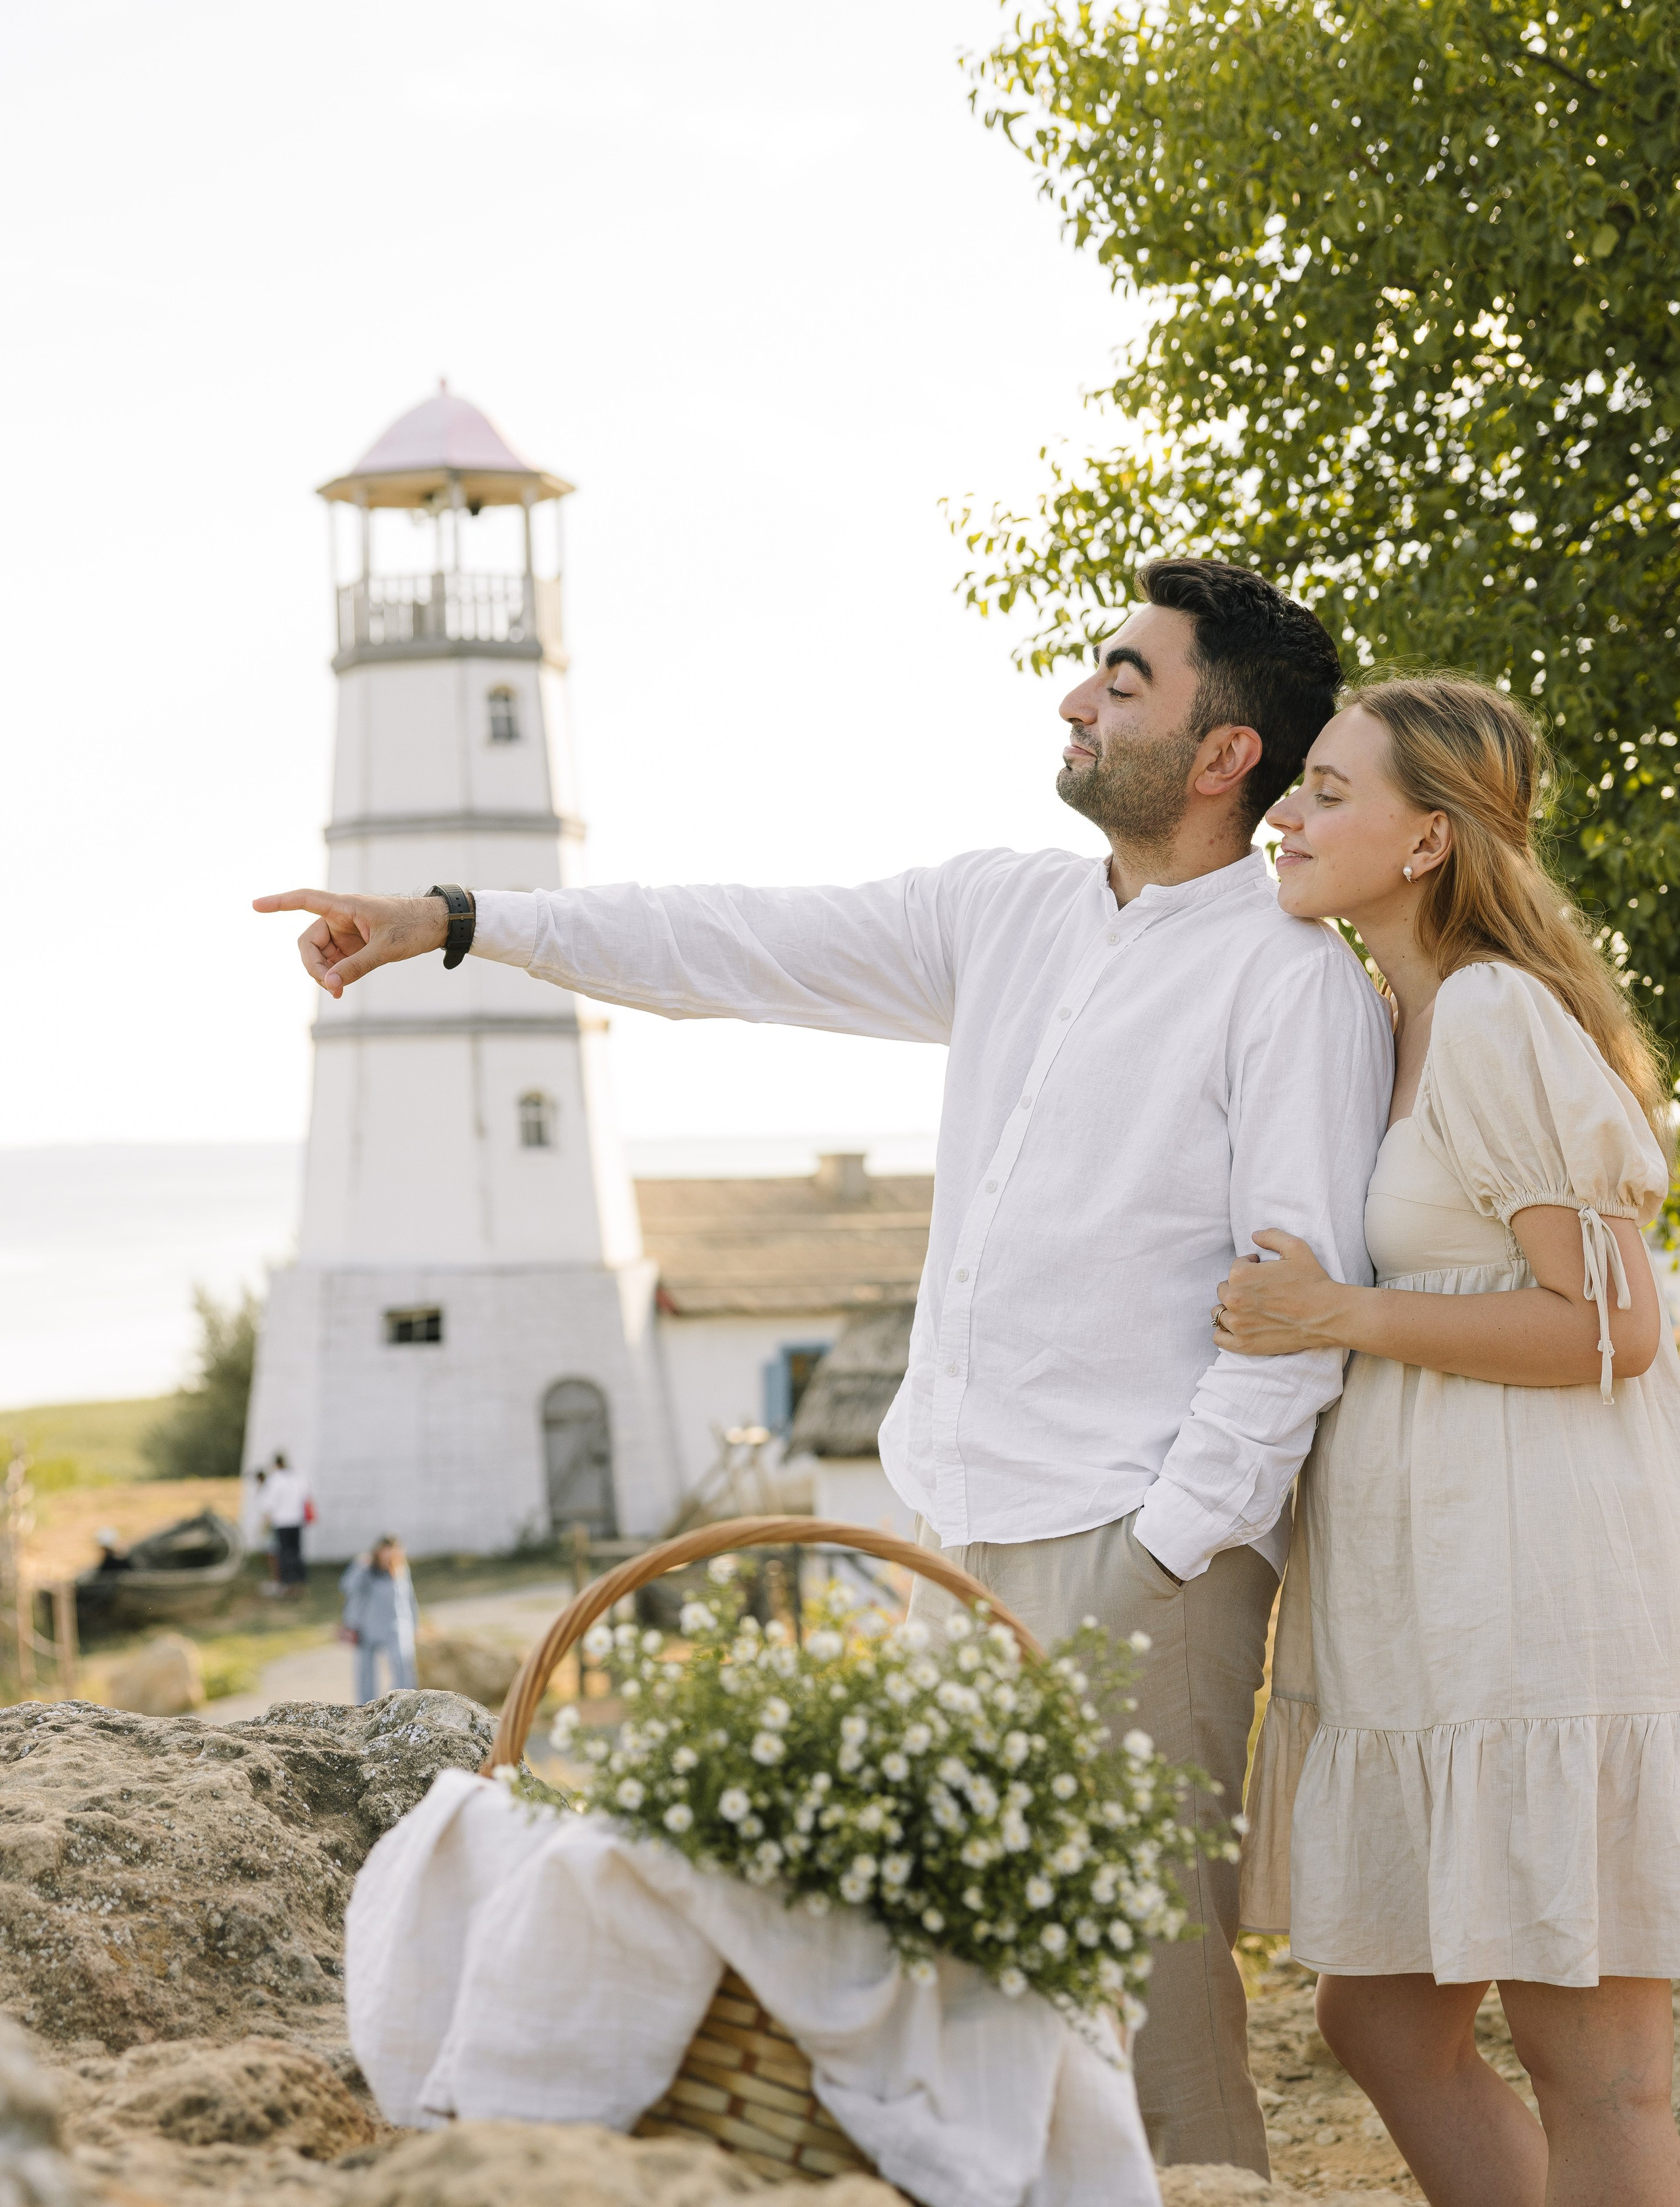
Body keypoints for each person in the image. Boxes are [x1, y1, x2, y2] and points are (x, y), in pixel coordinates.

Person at [253, 556, 1393, 2172]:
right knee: (969, 2001)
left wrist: (1165, 1546)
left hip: (1137, 1549)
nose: (1075, 698)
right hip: (947, 1520)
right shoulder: (1003, 908)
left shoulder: (1288, 986)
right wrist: (461, 919)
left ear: (1223, 755)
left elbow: (1299, 1309)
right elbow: (737, 942)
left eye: (1124, 681)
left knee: (1150, 1992)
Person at [1221, 676, 1680, 2207]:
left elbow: (1608, 1327)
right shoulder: (1377, 1022)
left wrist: (1336, 1316)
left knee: (1595, 2058)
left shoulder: (1489, 1013)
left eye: (1327, 792)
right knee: (1376, 2019)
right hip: (1424, 1605)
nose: (1285, 812)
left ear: (1425, 840)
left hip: (1538, 1595)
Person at [339, 1536, 419, 1704]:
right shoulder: (366, 1571)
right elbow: (347, 1586)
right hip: (366, 1629)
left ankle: (402, 1704)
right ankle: (365, 1708)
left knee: (403, 1667)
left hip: (395, 1628)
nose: (390, 1555)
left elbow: (409, 1600)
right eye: (387, 1550)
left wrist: (413, 1626)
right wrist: (359, 1566)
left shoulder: (401, 1571)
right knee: (365, 1673)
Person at [263, 1450, 310, 1596]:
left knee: (283, 1553)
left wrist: (266, 1521)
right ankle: (299, 1579)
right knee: (296, 1551)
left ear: (276, 1464)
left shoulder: (275, 1479)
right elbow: (306, 1496)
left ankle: (285, 1582)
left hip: (281, 1521)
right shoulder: (297, 1477)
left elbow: (269, 1503)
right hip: (297, 1520)